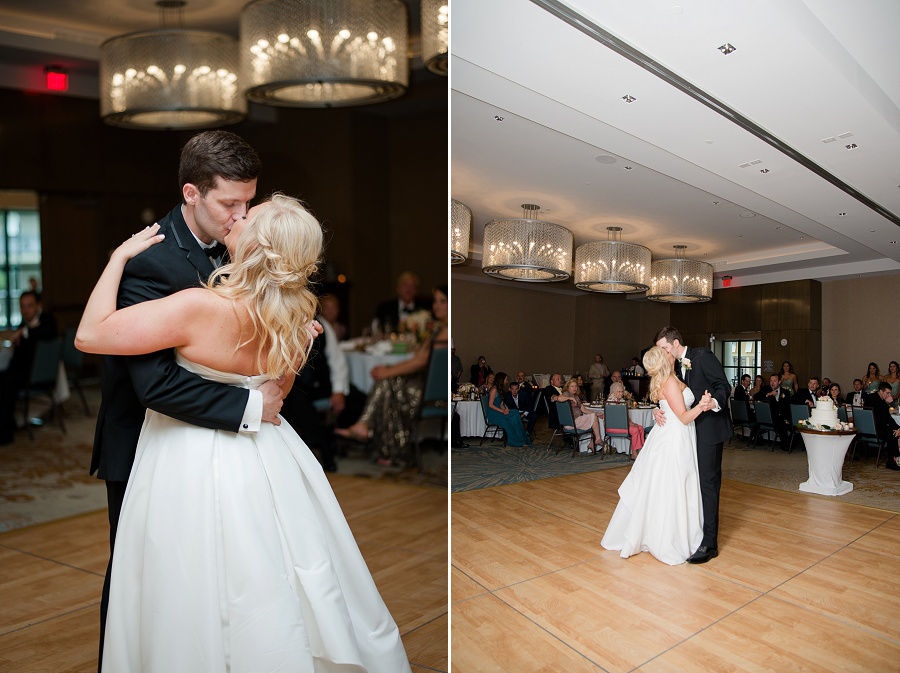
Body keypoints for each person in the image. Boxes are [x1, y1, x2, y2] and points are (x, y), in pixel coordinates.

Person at [76, 194, 411, 671]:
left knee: (185, 577)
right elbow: (277, 396)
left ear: (256, 243)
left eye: (248, 216)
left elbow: (90, 335)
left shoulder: (198, 307)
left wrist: (117, 259)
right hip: (266, 456)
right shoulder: (297, 321)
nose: (237, 216)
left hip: (183, 453)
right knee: (270, 567)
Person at [87, 131, 289, 669]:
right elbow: (151, 384)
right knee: (139, 577)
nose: (241, 216)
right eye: (230, 203)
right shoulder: (150, 262)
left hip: (220, 448)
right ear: (192, 193)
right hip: (146, 444)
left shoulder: (243, 243)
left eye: (249, 202)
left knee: (218, 575)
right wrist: (252, 409)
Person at [601, 346, 714, 565]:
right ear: (665, 359)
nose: (670, 351)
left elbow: (669, 407)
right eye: (666, 351)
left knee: (666, 484)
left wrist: (656, 409)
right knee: (675, 484)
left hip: (672, 434)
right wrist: (701, 405)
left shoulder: (670, 378)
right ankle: (670, 538)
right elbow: (683, 417)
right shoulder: (670, 382)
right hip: (675, 436)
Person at [336, 286, 448, 466]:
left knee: (389, 382)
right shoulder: (437, 329)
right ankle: (384, 447)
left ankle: (375, 436)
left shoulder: (445, 332)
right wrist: (388, 368)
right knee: (389, 380)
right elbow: (418, 358)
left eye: (443, 301)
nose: (437, 305)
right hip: (424, 387)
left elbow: (421, 362)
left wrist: (387, 371)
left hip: (434, 395)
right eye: (435, 301)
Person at [652, 326, 731, 564]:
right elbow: (666, 394)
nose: (663, 354)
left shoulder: (703, 356)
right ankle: (693, 533)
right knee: (689, 483)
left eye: (664, 348)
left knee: (707, 483)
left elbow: (723, 385)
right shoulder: (673, 365)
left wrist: (713, 402)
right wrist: (657, 409)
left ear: (675, 343)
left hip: (708, 429)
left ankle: (710, 544)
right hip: (685, 432)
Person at [0, 291, 58, 444]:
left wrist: (23, 333)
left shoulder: (47, 320)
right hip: (20, 371)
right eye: (22, 307)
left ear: (38, 306)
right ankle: (8, 423)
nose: (25, 310)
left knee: (7, 383)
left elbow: (48, 332)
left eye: (29, 306)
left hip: (37, 374)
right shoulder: (23, 324)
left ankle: (5, 433)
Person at [556, 378, 603, 450]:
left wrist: (596, 414)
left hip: (576, 421)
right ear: (568, 387)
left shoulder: (576, 397)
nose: (574, 388)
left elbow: (584, 410)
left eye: (575, 386)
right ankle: (598, 439)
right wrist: (571, 398)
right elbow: (559, 398)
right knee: (593, 419)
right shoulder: (566, 394)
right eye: (572, 386)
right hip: (571, 423)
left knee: (595, 418)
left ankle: (592, 442)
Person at [486, 372, 530, 447]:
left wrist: (505, 409)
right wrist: (502, 411)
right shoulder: (494, 389)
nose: (506, 381)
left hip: (499, 411)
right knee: (512, 419)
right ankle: (515, 441)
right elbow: (490, 405)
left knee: (515, 412)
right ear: (502, 380)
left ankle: (522, 438)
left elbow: (501, 404)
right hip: (494, 414)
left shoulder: (500, 389)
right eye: (506, 379)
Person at [607, 381, 645, 453]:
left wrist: (631, 423)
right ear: (613, 392)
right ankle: (634, 453)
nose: (621, 394)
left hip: (621, 425)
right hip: (614, 426)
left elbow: (625, 415)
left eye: (622, 391)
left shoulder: (620, 400)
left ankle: (641, 451)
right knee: (635, 430)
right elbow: (618, 417)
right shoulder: (611, 401)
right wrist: (630, 424)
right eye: (619, 392)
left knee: (640, 428)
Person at [754, 374, 791, 447]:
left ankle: (790, 443)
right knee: (781, 425)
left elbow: (787, 406)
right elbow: (756, 397)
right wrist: (768, 395)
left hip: (783, 416)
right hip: (771, 417)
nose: (772, 383)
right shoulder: (766, 389)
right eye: (771, 381)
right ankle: (785, 445)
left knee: (794, 426)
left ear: (779, 382)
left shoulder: (785, 392)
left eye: (774, 381)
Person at [869, 382, 900, 470]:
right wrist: (886, 403)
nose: (889, 395)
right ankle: (891, 462)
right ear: (881, 391)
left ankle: (895, 459)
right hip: (873, 428)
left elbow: (888, 418)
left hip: (881, 426)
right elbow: (878, 415)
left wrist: (898, 427)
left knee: (894, 431)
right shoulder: (871, 398)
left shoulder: (882, 401)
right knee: (892, 434)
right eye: (887, 393)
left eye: (890, 393)